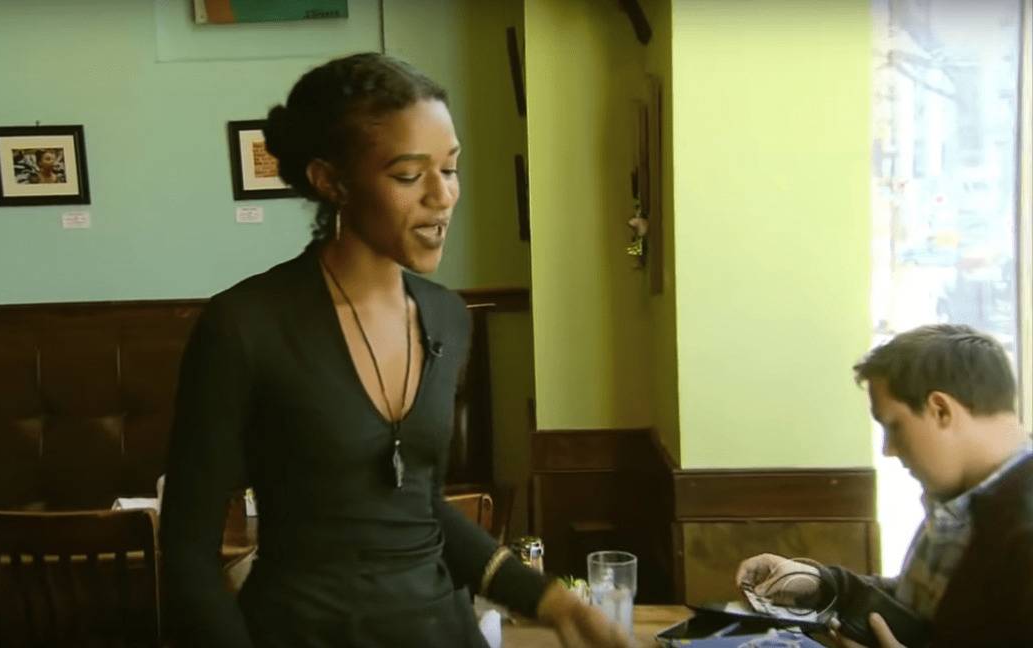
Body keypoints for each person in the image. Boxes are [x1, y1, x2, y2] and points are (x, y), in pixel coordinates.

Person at [161, 52, 629, 647]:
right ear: (332, 181)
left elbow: (419, 511)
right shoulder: (244, 325)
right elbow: (187, 554)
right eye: (409, 176)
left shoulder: (447, 317)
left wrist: (556, 603)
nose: (443, 196)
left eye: (451, 169)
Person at [736, 324, 1032, 647]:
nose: (888, 449)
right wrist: (822, 585)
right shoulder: (963, 501)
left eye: (893, 425)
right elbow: (922, 605)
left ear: (940, 410)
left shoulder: (1021, 527)